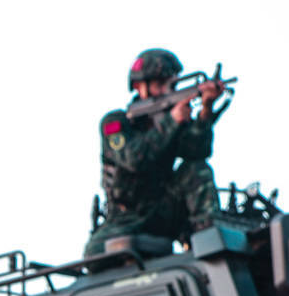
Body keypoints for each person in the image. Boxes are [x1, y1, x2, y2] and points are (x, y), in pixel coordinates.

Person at [84, 47, 230, 257]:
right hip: (124, 221)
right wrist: (172, 120)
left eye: (171, 85)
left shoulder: (171, 121)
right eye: (160, 85)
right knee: (98, 253)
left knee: (197, 170)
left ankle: (210, 246)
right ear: (138, 87)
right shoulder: (116, 123)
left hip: (162, 211)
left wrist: (206, 109)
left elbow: (197, 151)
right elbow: (134, 158)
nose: (166, 91)